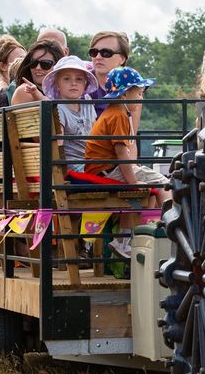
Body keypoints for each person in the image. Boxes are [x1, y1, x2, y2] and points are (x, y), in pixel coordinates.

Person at [83, 67, 165, 258]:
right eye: (139, 93)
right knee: (162, 183)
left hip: (102, 168)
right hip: (106, 169)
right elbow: (121, 154)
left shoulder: (115, 112)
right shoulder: (119, 114)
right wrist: (133, 182)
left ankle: (125, 239)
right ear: (125, 94)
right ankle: (166, 230)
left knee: (148, 193)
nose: (141, 98)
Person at [42, 55, 97, 172]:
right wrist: (61, 172)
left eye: (79, 79)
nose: (73, 83)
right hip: (73, 166)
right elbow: (58, 145)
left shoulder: (88, 102)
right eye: (67, 79)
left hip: (92, 161)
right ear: (57, 84)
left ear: (85, 84)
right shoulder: (58, 108)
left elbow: (96, 134)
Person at [85, 31, 131, 113]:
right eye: (94, 52)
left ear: (122, 59)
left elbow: (132, 125)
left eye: (106, 53)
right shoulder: (81, 83)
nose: (98, 57)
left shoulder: (132, 86)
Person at [9, 39, 65, 106]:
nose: (38, 68)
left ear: (58, 66)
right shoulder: (25, 90)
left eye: (45, 64)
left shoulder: (64, 91)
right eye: (33, 63)